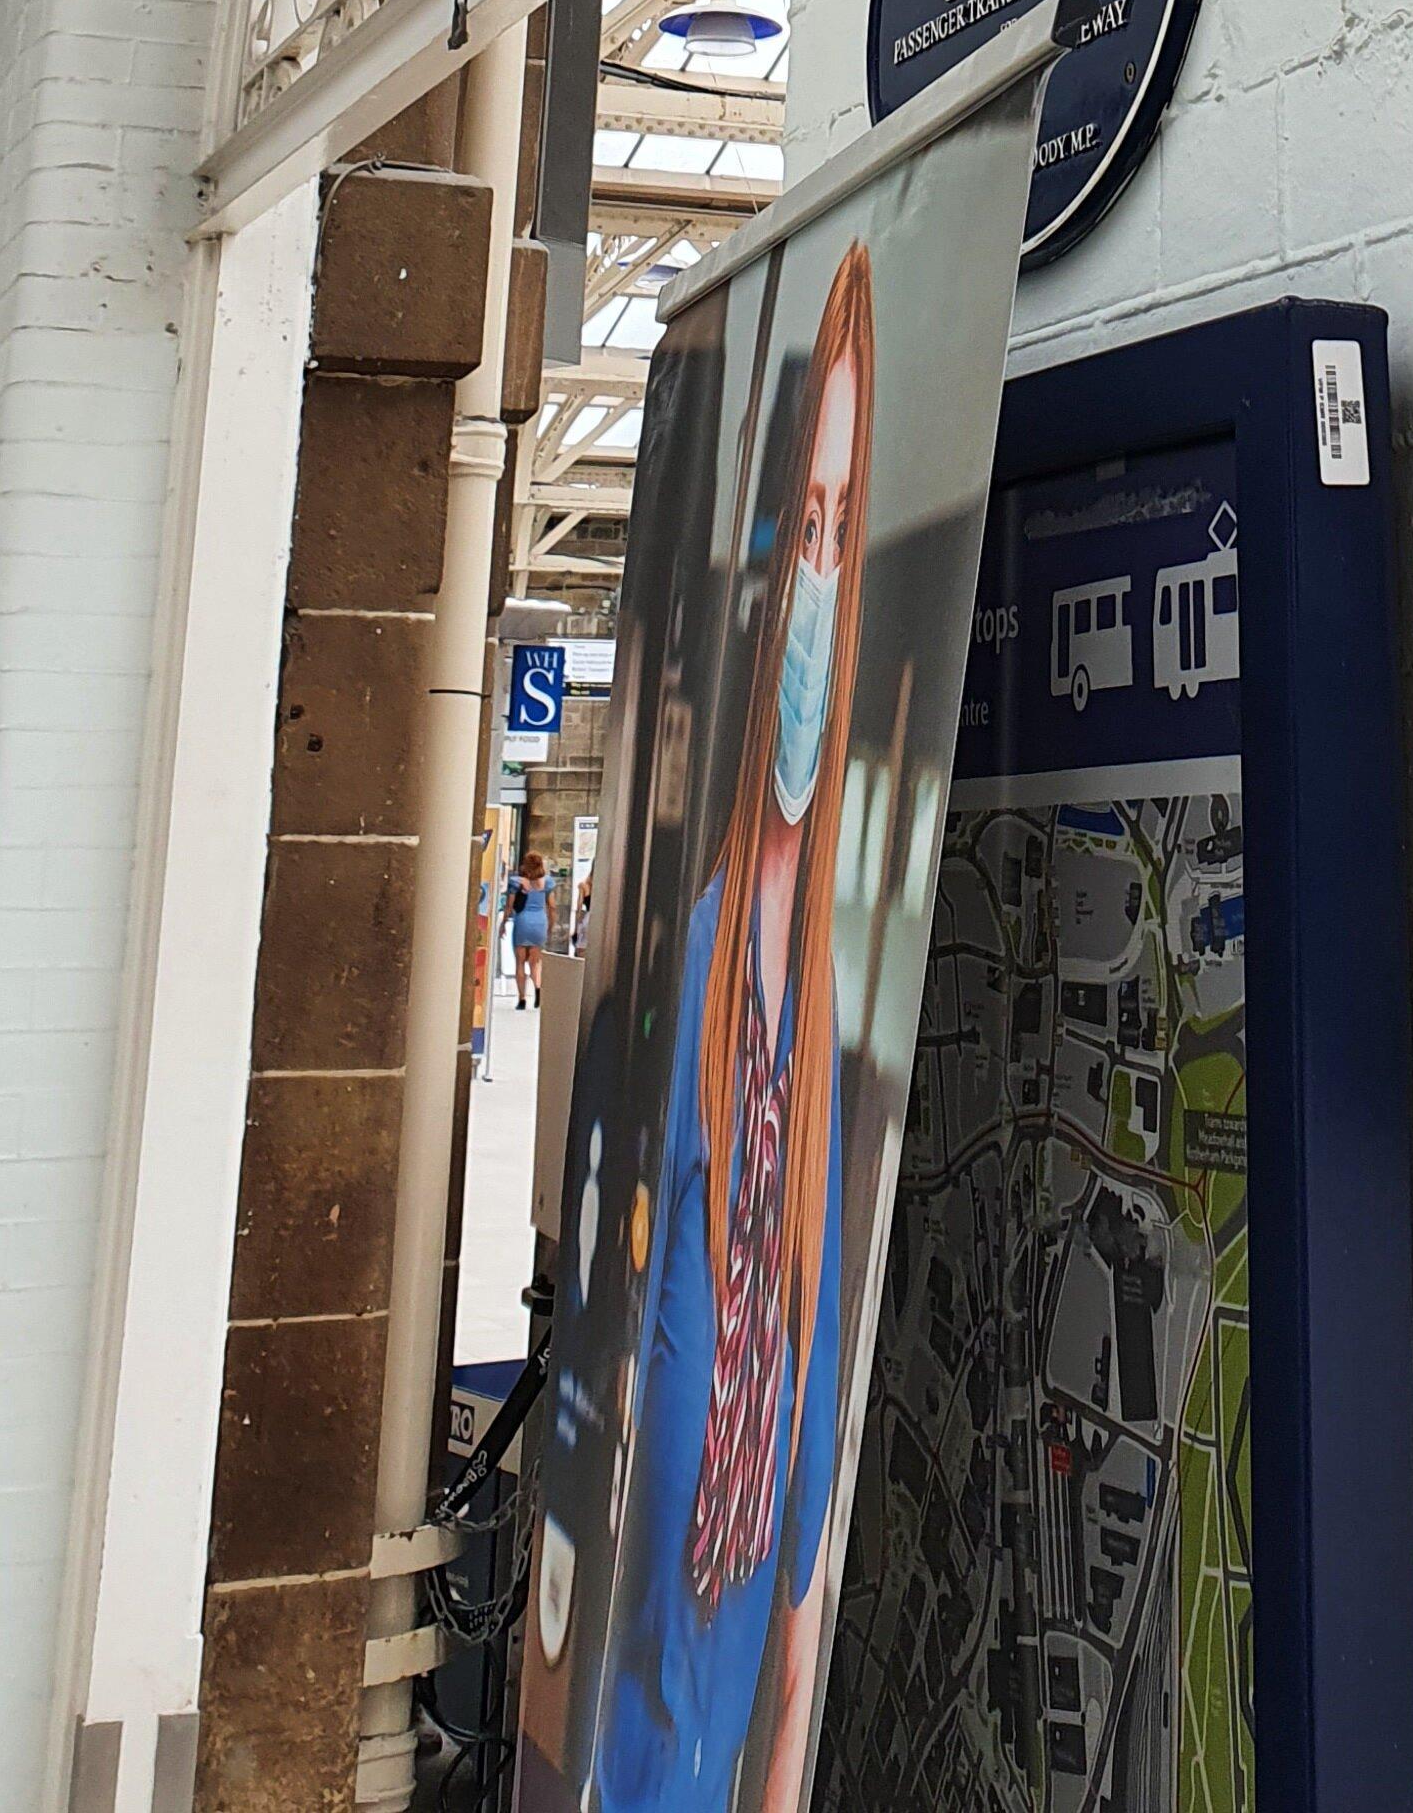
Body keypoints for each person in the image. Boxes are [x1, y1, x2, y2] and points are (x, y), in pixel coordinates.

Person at [592, 242, 875, 1811]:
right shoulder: (699, 961)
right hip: (652, 1677)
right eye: (806, 529)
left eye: (847, 532)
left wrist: (801, 1663)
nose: (823, 576)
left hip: (753, 1661)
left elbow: (815, 1307)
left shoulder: (820, 985)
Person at [511, 853, 552, 1011]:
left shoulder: (518, 882)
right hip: (539, 922)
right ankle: (538, 990)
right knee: (535, 963)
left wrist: (503, 922)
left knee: (520, 962)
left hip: (522, 922)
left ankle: (522, 999)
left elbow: (510, 906)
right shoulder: (547, 883)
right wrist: (550, 925)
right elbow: (552, 907)